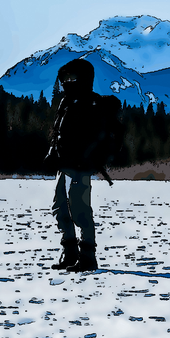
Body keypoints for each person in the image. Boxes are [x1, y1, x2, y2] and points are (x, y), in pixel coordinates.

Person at [46, 58, 120, 273]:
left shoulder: (92, 104)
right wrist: (52, 151)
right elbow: (58, 131)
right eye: (65, 78)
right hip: (64, 164)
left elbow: (96, 136)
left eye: (72, 78)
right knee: (60, 208)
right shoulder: (67, 102)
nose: (67, 82)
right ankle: (69, 253)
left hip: (81, 166)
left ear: (83, 79)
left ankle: (88, 257)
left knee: (80, 210)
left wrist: (86, 157)